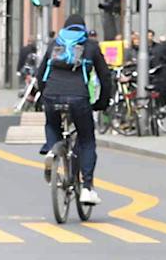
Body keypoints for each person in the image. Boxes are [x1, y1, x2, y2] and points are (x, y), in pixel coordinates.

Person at [33, 21, 114, 191]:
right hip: (79, 98)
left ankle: (51, 148)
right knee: (86, 139)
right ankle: (87, 188)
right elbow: (105, 77)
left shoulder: (55, 44)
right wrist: (102, 102)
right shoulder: (91, 46)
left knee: (51, 123)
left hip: (51, 94)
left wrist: (44, 95)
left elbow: (40, 74)